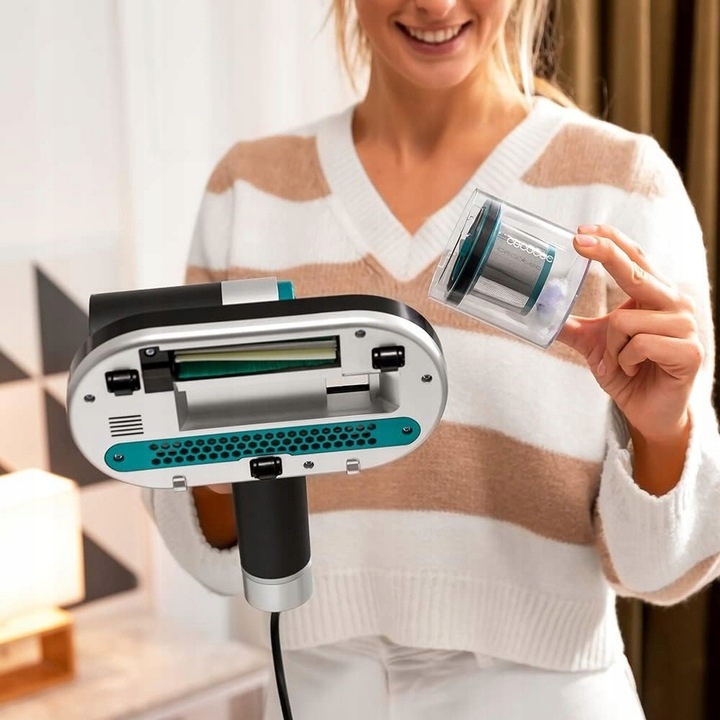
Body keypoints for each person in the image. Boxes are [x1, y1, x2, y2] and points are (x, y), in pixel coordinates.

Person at [143, 1, 720, 718]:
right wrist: (214, 451)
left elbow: (663, 569)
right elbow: (206, 540)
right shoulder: (250, 189)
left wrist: (663, 432)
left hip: (543, 695)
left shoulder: (623, 182)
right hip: (316, 693)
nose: (437, 6)